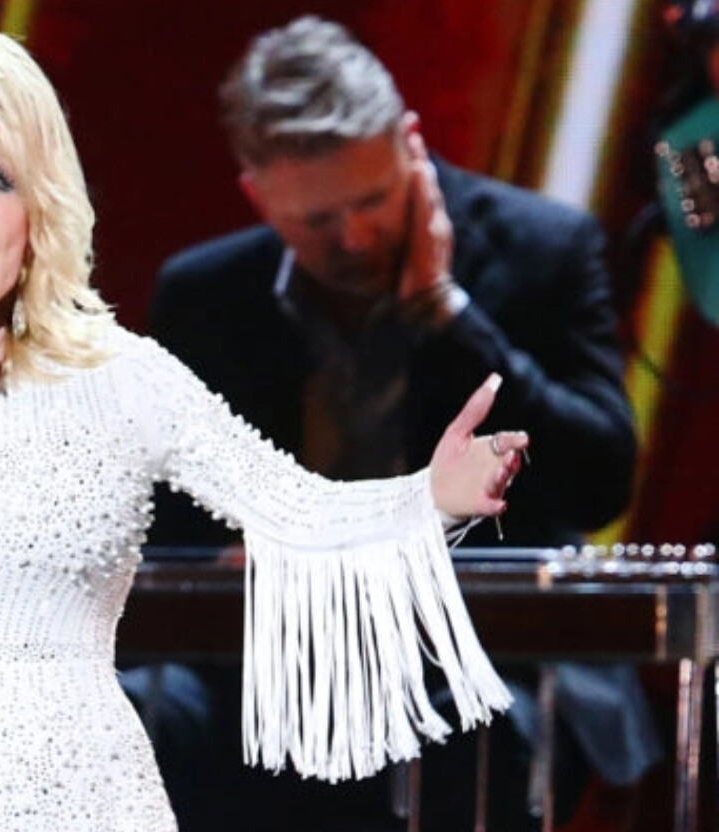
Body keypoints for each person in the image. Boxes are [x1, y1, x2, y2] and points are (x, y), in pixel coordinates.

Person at [0, 24, 528, 832]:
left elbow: (296, 511)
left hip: (92, 798)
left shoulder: (118, 379)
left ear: (36, 215)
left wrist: (433, 497)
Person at [147, 16, 658, 832]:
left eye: (374, 201)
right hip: (267, 661)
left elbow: (597, 483)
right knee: (132, 717)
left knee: (451, 742)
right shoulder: (204, 295)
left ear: (409, 146)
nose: (353, 238)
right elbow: (150, 531)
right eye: (317, 222)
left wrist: (445, 314)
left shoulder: (544, 248)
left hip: (484, 653)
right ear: (259, 193)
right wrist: (227, 559)